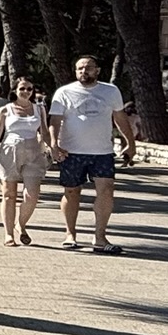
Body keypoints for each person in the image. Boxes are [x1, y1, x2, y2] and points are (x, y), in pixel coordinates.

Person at [48, 55, 137, 253]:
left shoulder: (110, 91)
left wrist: (130, 143)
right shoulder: (64, 92)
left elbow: (120, 118)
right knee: (71, 191)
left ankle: (100, 237)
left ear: (97, 70)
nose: (83, 72)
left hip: (102, 151)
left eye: (88, 68)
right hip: (72, 151)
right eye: (79, 68)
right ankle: (70, 234)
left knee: (106, 190)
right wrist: (53, 144)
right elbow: (54, 121)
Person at [0, 75, 52, 245]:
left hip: (33, 153)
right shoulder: (6, 110)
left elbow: (45, 132)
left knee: (32, 195)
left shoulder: (38, 109)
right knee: (8, 195)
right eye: (22, 88)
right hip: (9, 151)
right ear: (14, 91)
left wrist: (53, 150)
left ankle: (21, 223)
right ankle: (9, 234)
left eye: (29, 89)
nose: (26, 92)